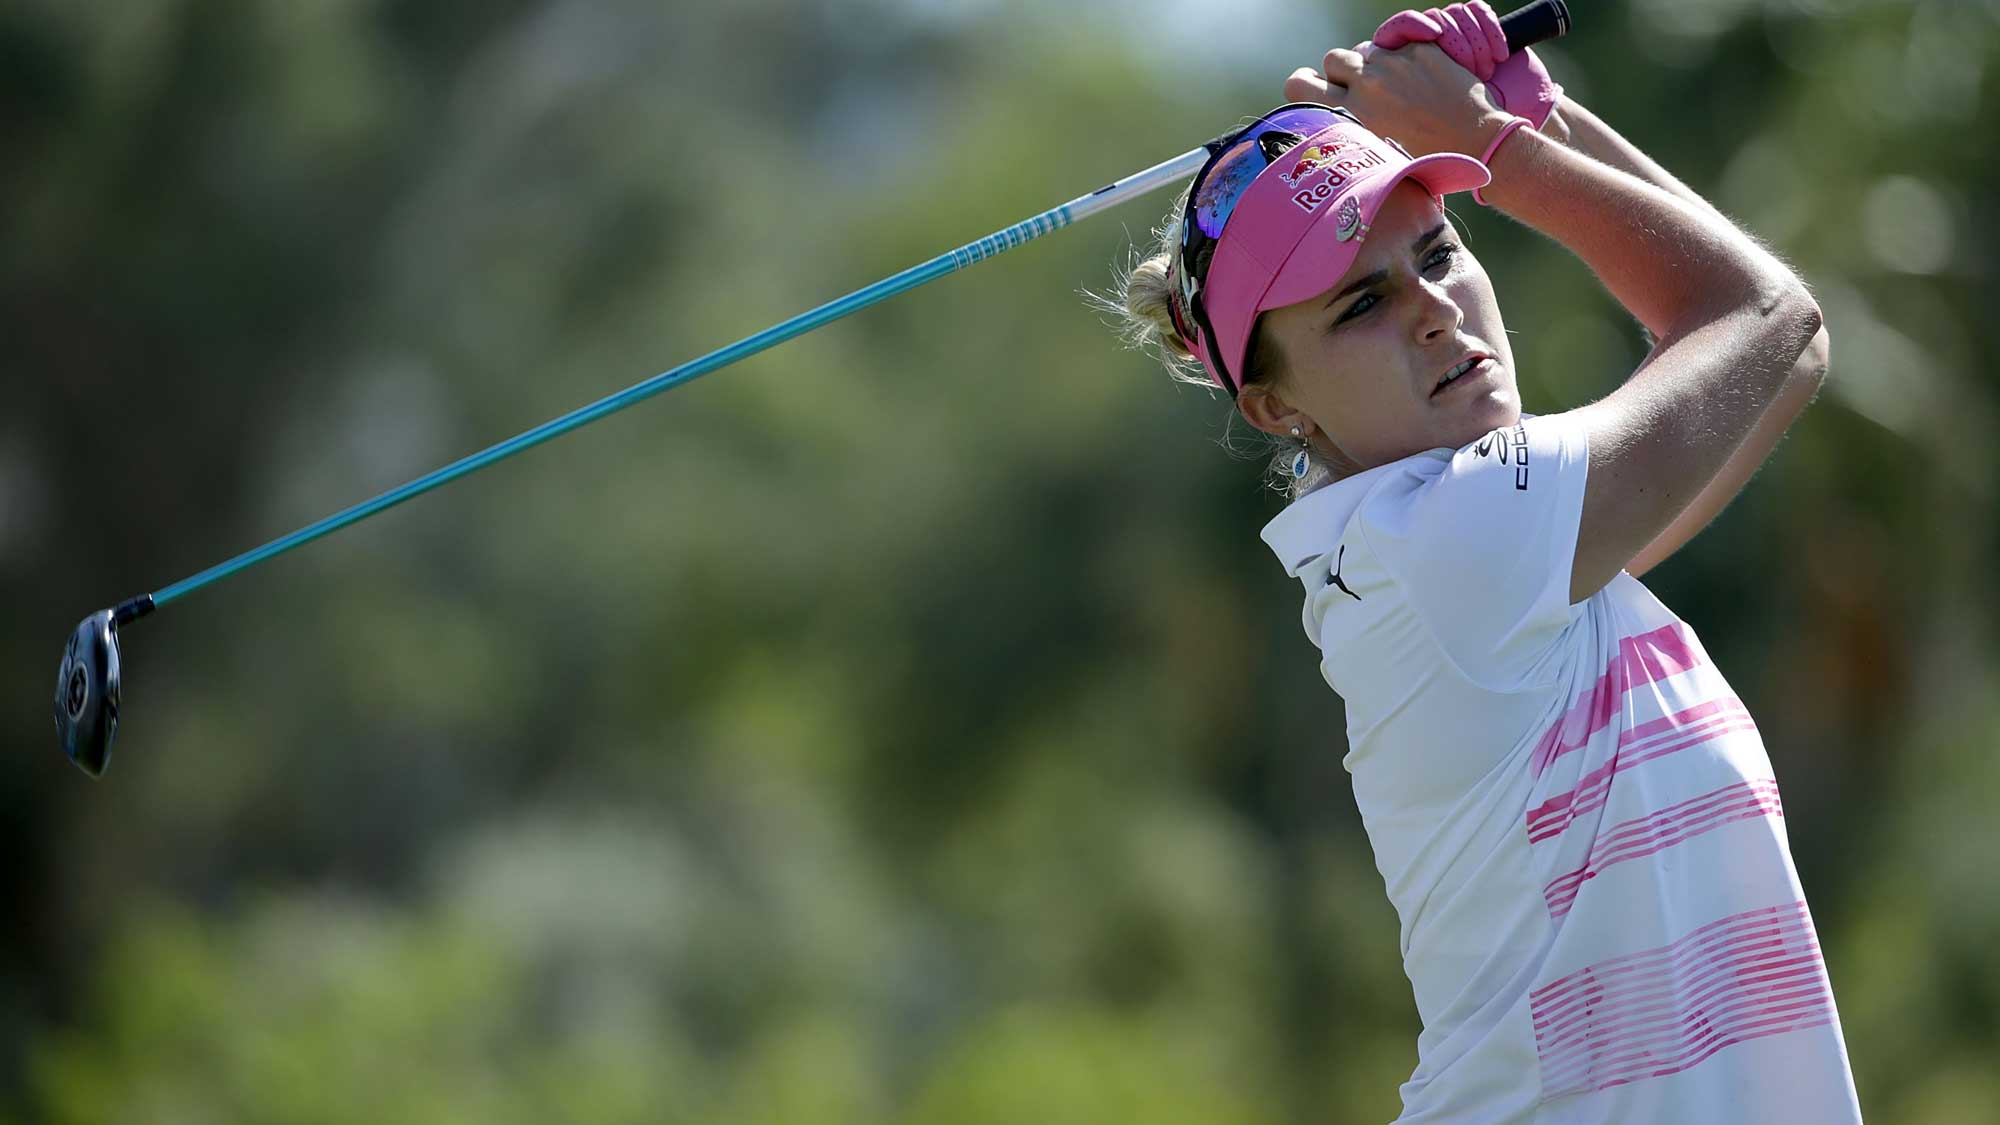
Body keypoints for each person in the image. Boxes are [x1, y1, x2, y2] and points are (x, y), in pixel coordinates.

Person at [1105, 4, 1862, 1122]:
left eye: (1438, 252)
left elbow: (1775, 349)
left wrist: (1531, 113)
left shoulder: (1486, 556)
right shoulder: (1457, 542)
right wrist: (1497, 144)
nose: (1431, 313)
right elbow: (1765, 316)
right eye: (1362, 303)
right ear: (1273, 406)